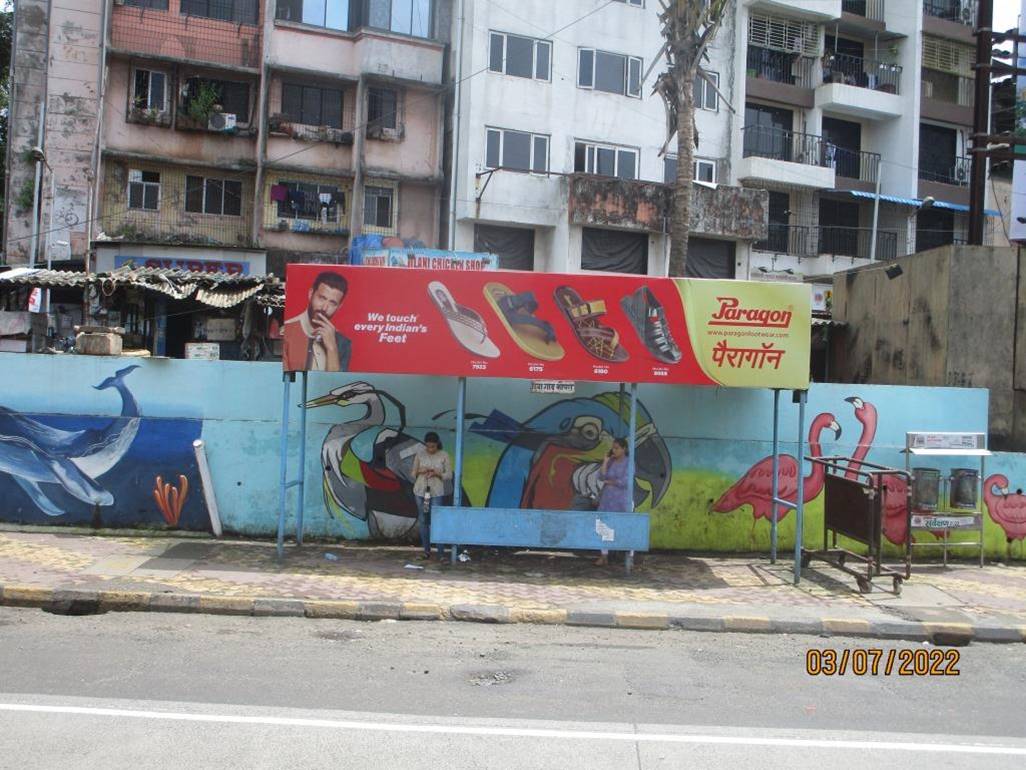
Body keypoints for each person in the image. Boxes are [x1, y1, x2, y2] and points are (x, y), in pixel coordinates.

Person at [282, 271, 352, 372]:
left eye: (332, 303)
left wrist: (332, 348)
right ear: (311, 294)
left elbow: (337, 385)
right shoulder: (286, 332)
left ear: (339, 307)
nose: (324, 308)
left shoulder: (343, 343)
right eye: (322, 298)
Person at [411, 431, 452, 561]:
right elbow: (412, 473)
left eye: (433, 446)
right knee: (423, 520)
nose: (430, 449)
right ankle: (426, 551)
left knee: (437, 520)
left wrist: (438, 473)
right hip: (420, 491)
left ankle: (440, 552)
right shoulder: (420, 454)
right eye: (428, 446)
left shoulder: (444, 455)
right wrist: (420, 471)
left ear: (437, 444)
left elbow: (449, 475)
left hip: (436, 492)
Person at [595, 437, 630, 567]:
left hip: (620, 500)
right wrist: (605, 461)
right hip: (607, 499)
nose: (614, 450)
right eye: (613, 448)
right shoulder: (612, 461)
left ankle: (627, 557)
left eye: (617, 448)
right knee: (603, 525)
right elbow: (601, 476)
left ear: (624, 449)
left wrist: (612, 482)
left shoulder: (628, 463)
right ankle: (604, 555)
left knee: (621, 526)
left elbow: (626, 481)